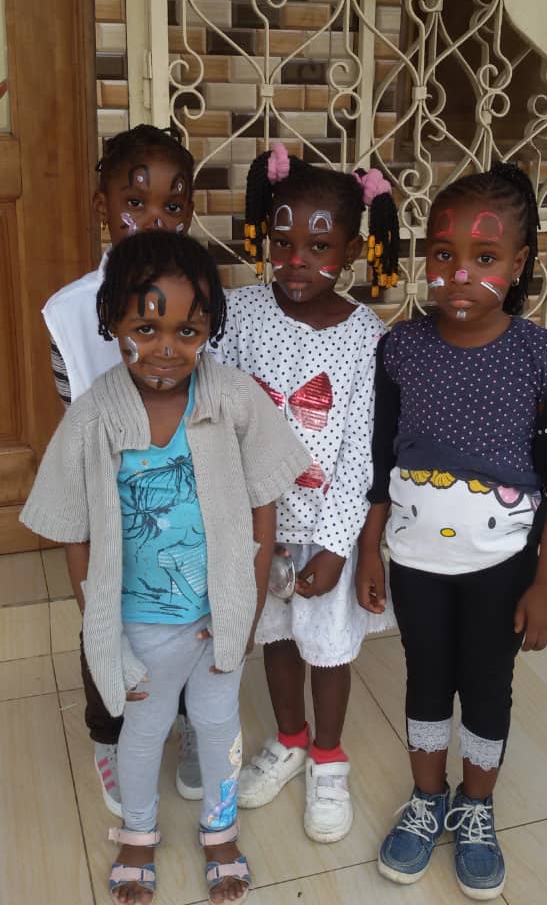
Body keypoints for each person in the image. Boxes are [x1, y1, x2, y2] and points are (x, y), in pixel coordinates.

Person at [21, 231, 311, 904]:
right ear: (112, 324)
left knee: (218, 726)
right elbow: (74, 533)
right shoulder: (93, 417)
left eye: (188, 331)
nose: (166, 349)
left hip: (219, 614)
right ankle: (137, 834)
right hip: (139, 624)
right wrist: (102, 630)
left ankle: (220, 830)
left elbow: (263, 504)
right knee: (144, 732)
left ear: (209, 329)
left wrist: (247, 609)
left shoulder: (232, 398)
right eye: (145, 328)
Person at [356, 163, 547, 899]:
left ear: (518, 264)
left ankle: (475, 807)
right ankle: (428, 798)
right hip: (415, 562)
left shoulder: (543, 358)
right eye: (443, 253)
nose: (459, 274)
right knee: (426, 676)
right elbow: (380, 457)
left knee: (486, 683)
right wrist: (369, 548)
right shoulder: (401, 349)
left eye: (484, 257)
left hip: (502, 566)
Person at [214, 143, 400, 843]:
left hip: (326, 525)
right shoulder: (238, 314)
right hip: (255, 523)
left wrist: (336, 544)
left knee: (327, 646)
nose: (296, 260)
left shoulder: (364, 336)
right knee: (276, 637)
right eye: (282, 241)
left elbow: (360, 451)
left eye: (318, 247)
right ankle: (289, 739)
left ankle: (328, 756)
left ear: (350, 251)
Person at [42, 124, 203, 815]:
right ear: (101, 206)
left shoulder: (201, 292)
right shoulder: (70, 312)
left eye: (173, 204)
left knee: (189, 610)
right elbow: (73, 414)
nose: (154, 219)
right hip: (109, 492)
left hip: (183, 493)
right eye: (135, 202)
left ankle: (191, 722)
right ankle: (108, 732)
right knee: (105, 618)